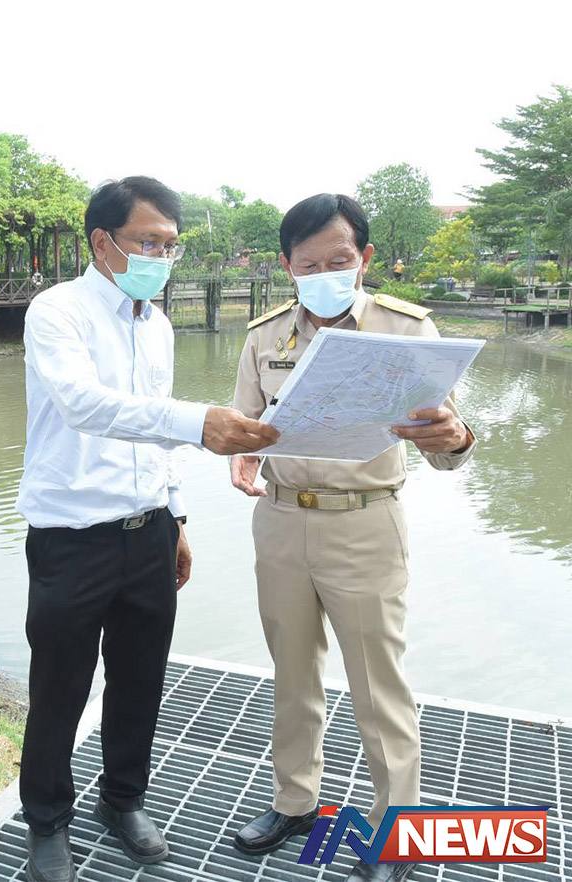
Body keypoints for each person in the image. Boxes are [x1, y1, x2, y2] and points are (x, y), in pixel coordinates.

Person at [16, 176, 279, 882]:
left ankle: (123, 799)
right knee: (60, 688)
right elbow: (82, 405)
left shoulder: (155, 324)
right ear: (102, 242)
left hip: (150, 529)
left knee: (140, 679)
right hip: (72, 534)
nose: (161, 257)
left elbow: (154, 433)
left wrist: (177, 517)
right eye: (148, 242)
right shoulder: (58, 312)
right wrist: (199, 423)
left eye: (170, 245)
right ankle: (47, 820)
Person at [228, 194, 475, 882]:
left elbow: (445, 442)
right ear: (287, 267)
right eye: (308, 265)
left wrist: (454, 437)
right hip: (280, 519)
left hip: (366, 520)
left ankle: (396, 834)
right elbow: (244, 426)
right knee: (291, 672)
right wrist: (242, 455)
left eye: (338, 260)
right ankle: (295, 801)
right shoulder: (264, 337)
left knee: (377, 683)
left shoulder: (407, 330)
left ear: (364, 258)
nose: (324, 274)